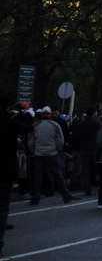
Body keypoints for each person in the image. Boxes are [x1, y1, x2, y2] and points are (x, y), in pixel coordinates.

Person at [0, 98, 33, 258]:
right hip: (4, 169)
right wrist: (21, 114)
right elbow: (29, 127)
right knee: (2, 208)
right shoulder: (9, 123)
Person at [27, 107, 79, 205]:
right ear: (50, 114)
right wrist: (58, 149)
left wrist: (34, 150)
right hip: (52, 153)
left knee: (38, 177)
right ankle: (66, 196)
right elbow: (60, 140)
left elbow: (31, 141)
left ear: (42, 114)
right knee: (58, 175)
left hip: (39, 153)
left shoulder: (35, 125)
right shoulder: (55, 125)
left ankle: (35, 198)